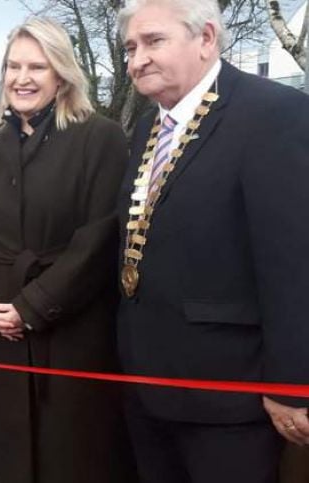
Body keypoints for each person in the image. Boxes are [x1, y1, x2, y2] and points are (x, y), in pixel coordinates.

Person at [116, 0, 309, 481]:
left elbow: (293, 262)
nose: (138, 59)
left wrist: (291, 386)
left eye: (154, 41)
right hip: (148, 389)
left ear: (205, 38)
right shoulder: (147, 126)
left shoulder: (274, 114)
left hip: (230, 401)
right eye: (130, 47)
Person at [0, 17, 136, 483]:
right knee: (11, 452)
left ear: (62, 74)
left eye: (37, 66)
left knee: (75, 455)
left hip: (72, 330)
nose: (22, 78)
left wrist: (31, 307)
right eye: (13, 66)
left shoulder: (100, 138)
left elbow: (98, 240)